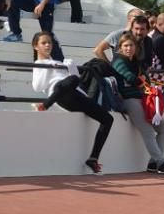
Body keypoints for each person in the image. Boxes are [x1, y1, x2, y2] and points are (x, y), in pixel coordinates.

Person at [31, 31, 114, 174]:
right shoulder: (39, 64)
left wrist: (71, 69)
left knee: (108, 119)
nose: (47, 45)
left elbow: (76, 81)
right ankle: (46, 105)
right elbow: (37, 87)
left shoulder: (58, 62)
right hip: (58, 94)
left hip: (74, 94)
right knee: (72, 80)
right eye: (43, 43)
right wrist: (49, 68)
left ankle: (93, 158)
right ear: (35, 46)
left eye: (49, 42)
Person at [111, 33, 164, 175]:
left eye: (131, 45)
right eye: (126, 46)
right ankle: (161, 163)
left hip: (143, 98)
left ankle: (153, 163)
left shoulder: (136, 61)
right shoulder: (117, 61)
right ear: (120, 47)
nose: (129, 48)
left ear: (136, 47)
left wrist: (144, 82)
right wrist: (142, 81)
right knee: (147, 130)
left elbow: (145, 80)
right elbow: (131, 78)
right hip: (128, 100)